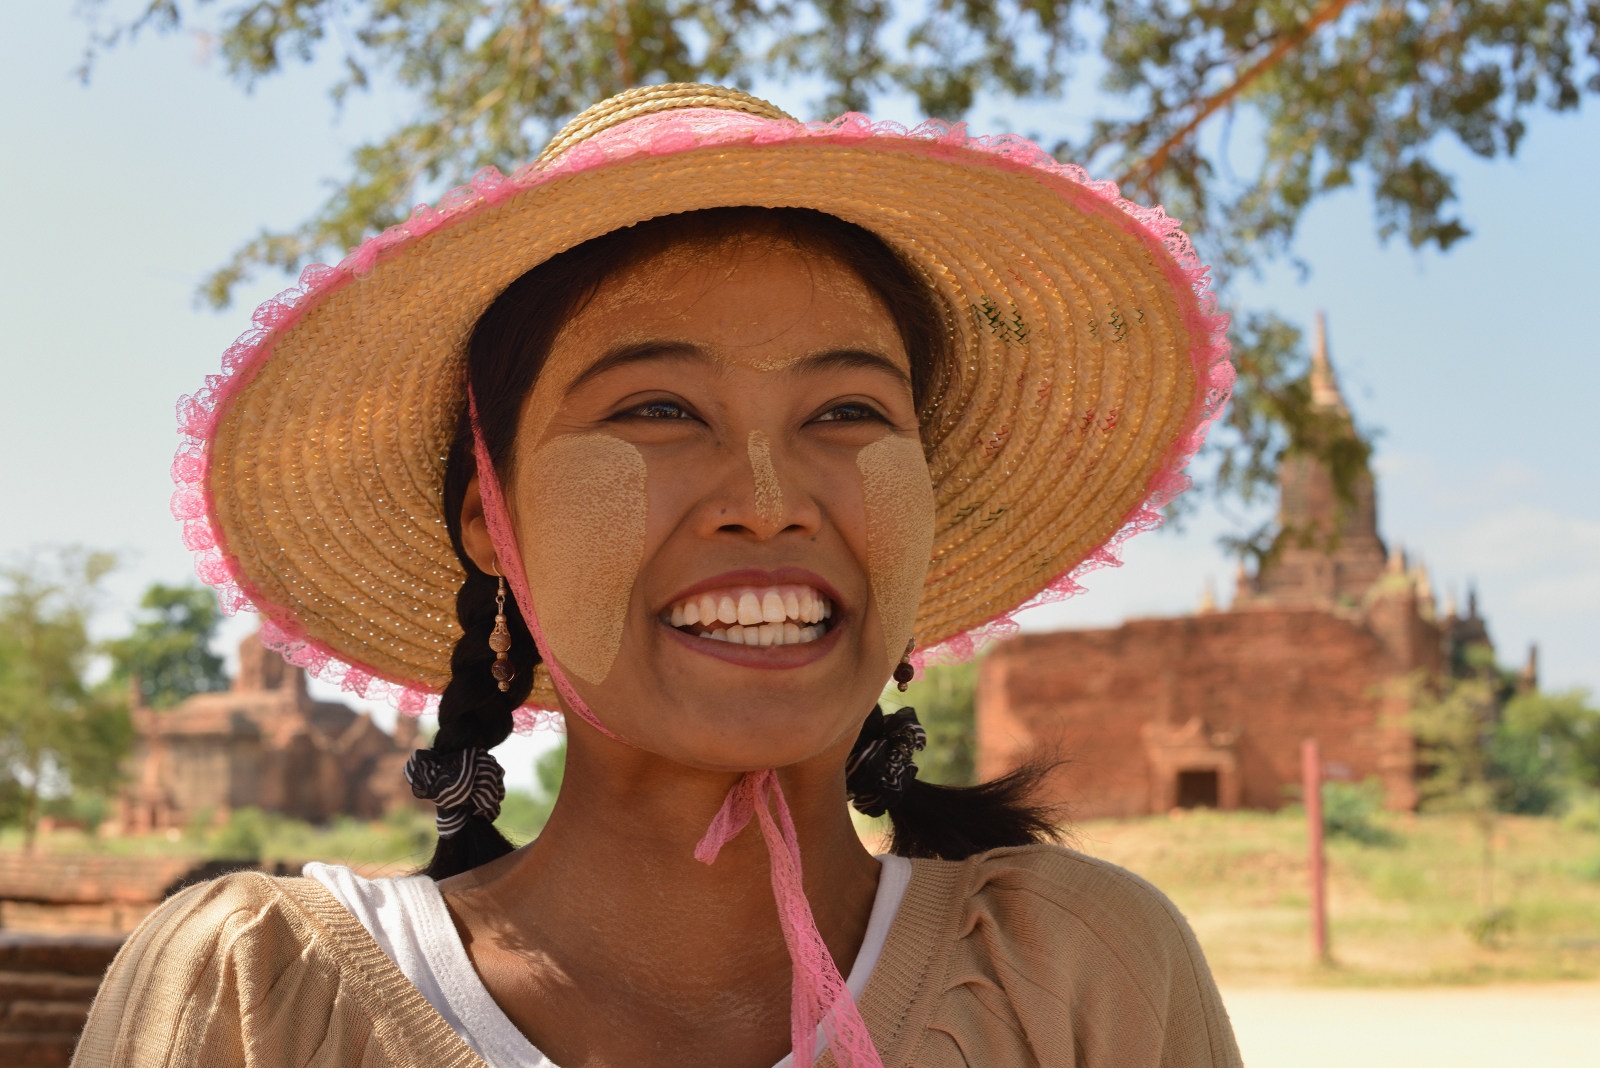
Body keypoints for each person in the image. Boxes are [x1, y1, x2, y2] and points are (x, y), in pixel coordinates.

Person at [74, 84, 1240, 1067]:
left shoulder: (1080, 978)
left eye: (847, 410)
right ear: (494, 520)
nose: (769, 500)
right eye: (658, 408)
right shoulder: (255, 996)